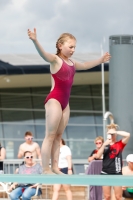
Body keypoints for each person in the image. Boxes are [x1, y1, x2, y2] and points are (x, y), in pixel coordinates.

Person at [27, 28, 111, 174]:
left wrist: (101, 60)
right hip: (54, 100)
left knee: (58, 137)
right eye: (70, 47)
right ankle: (46, 168)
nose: (73, 50)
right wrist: (35, 40)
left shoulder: (72, 63)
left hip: (65, 103)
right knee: (50, 135)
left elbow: (85, 65)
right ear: (60, 45)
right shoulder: (55, 60)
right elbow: (44, 55)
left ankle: (55, 167)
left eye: (74, 47)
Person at [96, 123, 130, 200]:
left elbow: (128, 135)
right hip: (105, 173)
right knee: (107, 197)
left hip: (117, 173)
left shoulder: (120, 144)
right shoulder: (105, 145)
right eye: (109, 134)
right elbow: (98, 156)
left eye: (112, 134)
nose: (111, 135)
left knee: (118, 197)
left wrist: (115, 132)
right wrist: (104, 145)